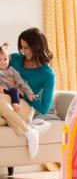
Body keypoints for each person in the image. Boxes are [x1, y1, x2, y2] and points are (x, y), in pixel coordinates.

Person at [0, 28, 55, 159]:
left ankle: (28, 131)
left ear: (36, 47)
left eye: (26, 48)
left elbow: (44, 108)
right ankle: (30, 129)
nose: (22, 51)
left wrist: (21, 92)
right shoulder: (15, 59)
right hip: (6, 102)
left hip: (23, 107)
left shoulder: (48, 74)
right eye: (21, 47)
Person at [0, 43, 36, 112]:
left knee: (14, 90)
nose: (2, 62)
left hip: (13, 93)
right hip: (3, 92)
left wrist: (29, 93)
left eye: (5, 59)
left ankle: (15, 104)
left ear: (9, 59)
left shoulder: (12, 70)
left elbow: (22, 82)